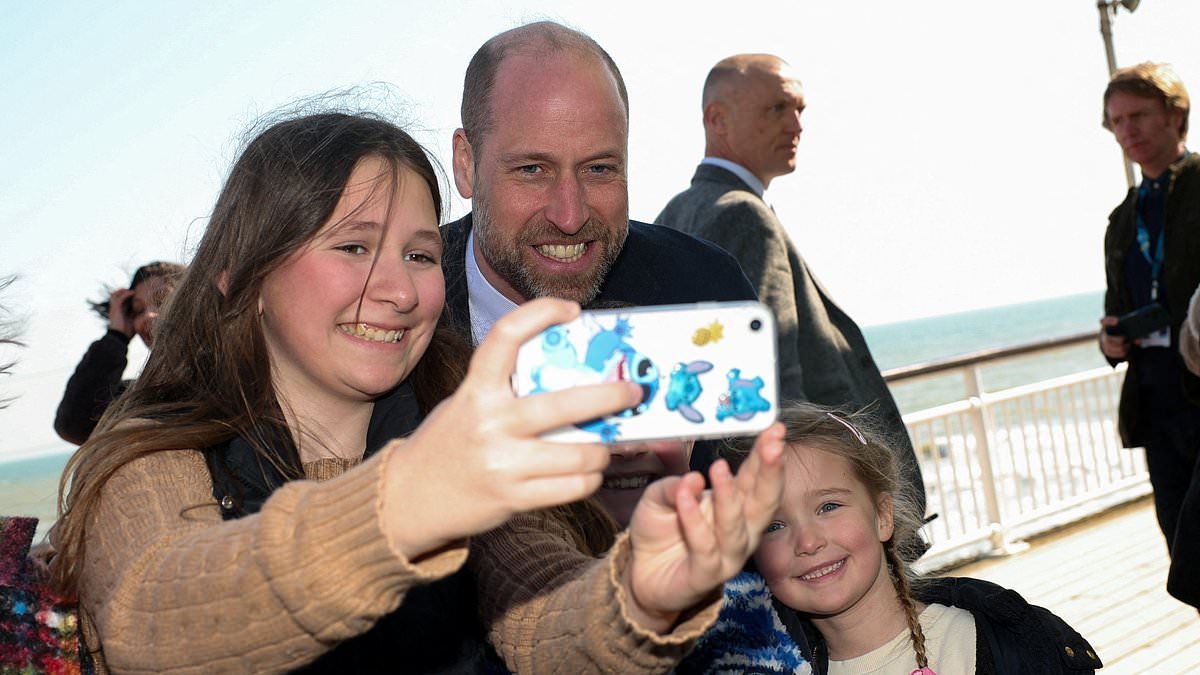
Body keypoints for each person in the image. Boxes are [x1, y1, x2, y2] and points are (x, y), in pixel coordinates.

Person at [50, 111, 785, 674]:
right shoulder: (156, 452)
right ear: (241, 274)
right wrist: (402, 505)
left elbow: (541, 624)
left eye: (421, 253)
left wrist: (644, 596)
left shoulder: (450, 429)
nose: (400, 290)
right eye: (353, 246)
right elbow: (152, 621)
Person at [655, 53, 926, 537]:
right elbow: (769, 379)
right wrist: (809, 518)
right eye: (777, 108)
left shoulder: (676, 213)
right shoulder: (743, 215)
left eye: (799, 109)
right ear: (717, 119)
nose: (796, 124)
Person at [680, 403, 1103, 674]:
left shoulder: (1002, 640)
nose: (807, 541)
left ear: (883, 516)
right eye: (773, 525)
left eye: (828, 506)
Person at [441, 21, 756, 348]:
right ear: (466, 166)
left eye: (598, 169)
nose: (570, 218)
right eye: (532, 170)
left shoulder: (707, 292)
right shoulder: (408, 301)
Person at [1098, 62, 1200, 609]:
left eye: (1137, 115)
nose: (1127, 130)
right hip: (1157, 401)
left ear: (1175, 114)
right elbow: (1115, 310)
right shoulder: (1123, 218)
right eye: (1116, 121)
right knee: (1185, 555)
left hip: (1199, 385)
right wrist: (1111, 341)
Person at [53, 261, 184, 445]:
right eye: (138, 310)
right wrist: (116, 337)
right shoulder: (145, 399)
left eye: (162, 301)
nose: (148, 315)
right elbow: (75, 426)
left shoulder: (226, 373)